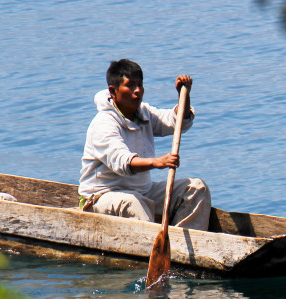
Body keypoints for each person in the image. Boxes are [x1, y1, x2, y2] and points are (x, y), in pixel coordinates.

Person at [79, 59, 212, 231]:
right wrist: (157, 162)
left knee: (196, 188)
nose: (137, 91)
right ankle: (152, 249)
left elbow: (176, 121)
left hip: (144, 193)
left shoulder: (144, 113)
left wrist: (183, 97)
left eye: (140, 85)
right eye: (130, 86)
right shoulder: (103, 124)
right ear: (113, 91)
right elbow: (123, 163)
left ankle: (180, 246)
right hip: (103, 196)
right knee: (134, 203)